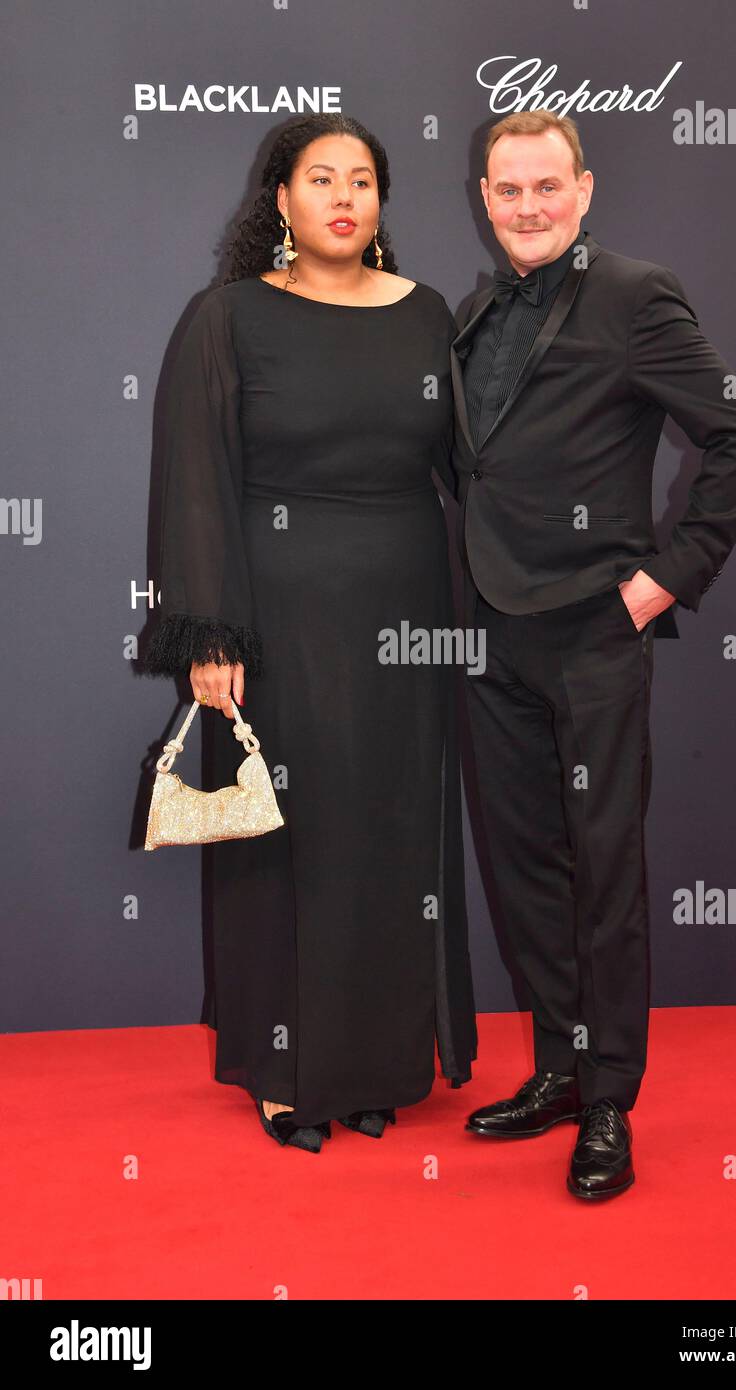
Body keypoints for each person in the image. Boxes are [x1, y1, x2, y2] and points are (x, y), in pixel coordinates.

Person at [450, 110, 736, 1198]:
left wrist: (666, 577)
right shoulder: (477, 306)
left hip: (594, 630)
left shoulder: (637, 294)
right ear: (484, 200)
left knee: (605, 873)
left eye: (548, 187)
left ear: (583, 191)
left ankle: (611, 1104)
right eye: (509, 190)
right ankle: (557, 1068)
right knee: (526, 867)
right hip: (490, 632)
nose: (529, 207)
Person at [141, 113, 476, 1152]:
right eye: (320, 178)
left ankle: (378, 1063)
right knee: (291, 836)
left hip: (409, 613)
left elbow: (475, 469)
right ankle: (287, 1068)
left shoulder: (428, 316)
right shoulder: (228, 316)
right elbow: (196, 482)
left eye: (364, 180)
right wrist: (210, 634)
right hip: (278, 613)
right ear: (279, 201)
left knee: (389, 829)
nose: (343, 196)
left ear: (381, 204)